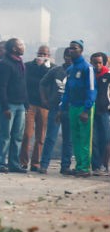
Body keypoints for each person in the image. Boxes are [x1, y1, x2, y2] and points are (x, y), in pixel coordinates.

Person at [59, 40, 96, 177]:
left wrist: (86, 110)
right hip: (72, 107)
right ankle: (79, 165)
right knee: (75, 138)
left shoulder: (88, 68)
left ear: (81, 50)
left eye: (74, 48)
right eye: (70, 48)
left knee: (85, 138)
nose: (71, 51)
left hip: (84, 107)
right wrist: (62, 108)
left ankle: (85, 168)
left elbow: (91, 90)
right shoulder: (70, 70)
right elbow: (67, 91)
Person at [0, 38, 29, 173]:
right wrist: (5, 107)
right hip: (8, 105)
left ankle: (14, 164)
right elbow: (1, 87)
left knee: (17, 136)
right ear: (14, 48)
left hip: (20, 105)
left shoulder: (20, 63)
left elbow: (23, 85)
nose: (23, 47)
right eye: (20, 45)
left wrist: (26, 103)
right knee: (4, 135)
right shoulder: (4, 64)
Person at [39, 47, 74, 174]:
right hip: (55, 108)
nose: (69, 58)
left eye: (72, 56)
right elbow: (42, 83)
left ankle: (65, 166)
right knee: (51, 137)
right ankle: (43, 165)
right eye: (67, 56)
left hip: (70, 109)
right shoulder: (56, 71)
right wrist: (44, 100)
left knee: (68, 139)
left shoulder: (77, 72)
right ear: (64, 57)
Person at [19, 45, 53, 172]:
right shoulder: (28, 66)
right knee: (27, 134)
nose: (42, 56)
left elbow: (47, 82)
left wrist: (44, 66)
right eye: (40, 53)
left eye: (45, 54)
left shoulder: (52, 68)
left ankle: (36, 163)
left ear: (49, 55)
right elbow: (24, 83)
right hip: (30, 103)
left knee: (41, 136)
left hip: (44, 106)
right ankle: (23, 161)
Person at [90, 52, 109, 176]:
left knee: (105, 139)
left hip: (104, 112)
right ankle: (96, 166)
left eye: (100, 63)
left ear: (104, 63)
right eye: (95, 63)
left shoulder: (107, 75)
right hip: (91, 111)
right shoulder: (89, 75)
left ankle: (104, 164)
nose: (97, 65)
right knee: (94, 140)